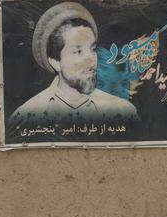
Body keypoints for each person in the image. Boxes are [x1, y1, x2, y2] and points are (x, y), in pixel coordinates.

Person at [8, 2, 139, 131]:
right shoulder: (25, 118)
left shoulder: (123, 113)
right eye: (78, 51)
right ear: (55, 62)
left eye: (93, 49)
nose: (92, 61)